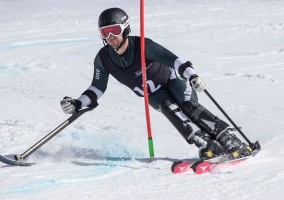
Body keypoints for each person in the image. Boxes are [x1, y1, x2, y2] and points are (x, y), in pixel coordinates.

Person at [60, 8, 252, 160]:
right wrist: (78, 103)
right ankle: (206, 144)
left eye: (115, 30)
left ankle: (229, 139)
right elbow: (97, 87)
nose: (110, 37)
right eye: (105, 32)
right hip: (153, 94)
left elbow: (174, 60)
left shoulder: (143, 45)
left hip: (174, 81)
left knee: (188, 106)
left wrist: (192, 75)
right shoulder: (103, 59)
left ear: (125, 29)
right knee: (170, 110)